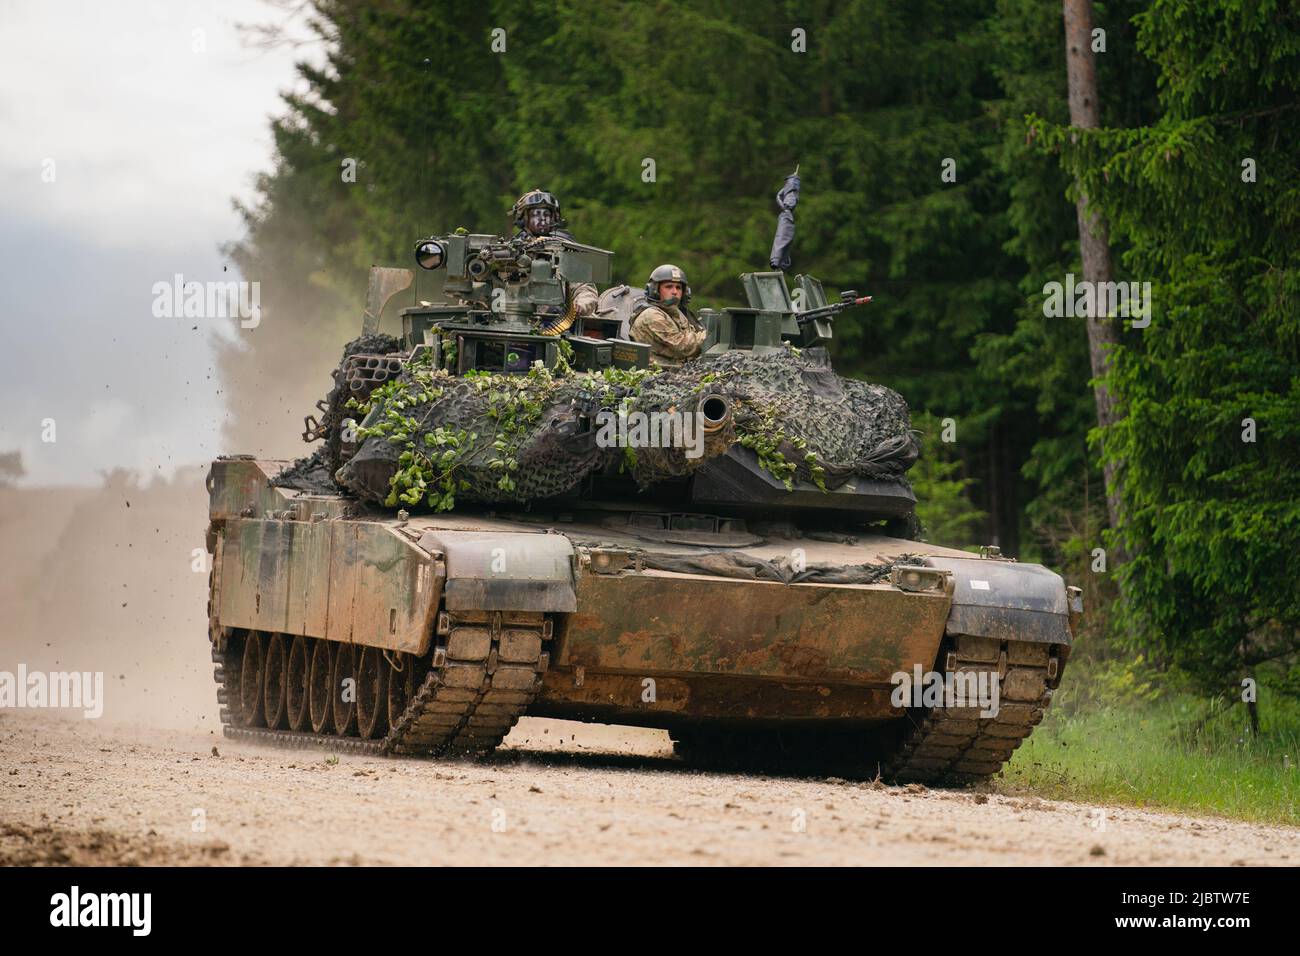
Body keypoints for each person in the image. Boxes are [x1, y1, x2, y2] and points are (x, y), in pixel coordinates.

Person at [510, 189, 597, 322]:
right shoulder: (512, 251)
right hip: (517, 319)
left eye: (546, 214)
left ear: (554, 217)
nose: (542, 219)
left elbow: (584, 289)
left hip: (559, 321)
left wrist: (580, 305)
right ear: (523, 219)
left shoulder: (566, 250)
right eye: (535, 214)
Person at [629, 264, 706, 366]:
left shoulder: (677, 313)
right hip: (656, 375)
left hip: (674, 371)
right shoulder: (651, 315)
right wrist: (710, 335)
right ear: (655, 290)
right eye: (669, 287)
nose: (674, 292)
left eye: (678, 288)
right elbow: (683, 347)